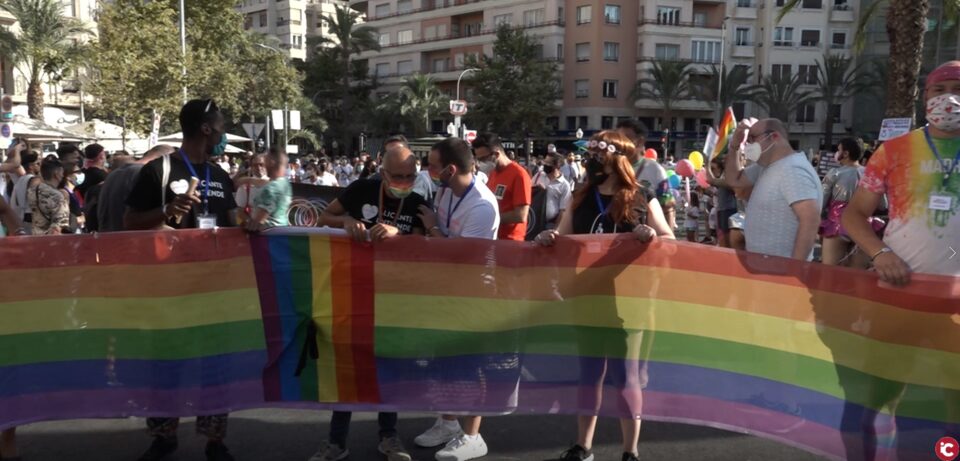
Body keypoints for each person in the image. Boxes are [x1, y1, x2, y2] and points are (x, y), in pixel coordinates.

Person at [534, 130, 673, 461]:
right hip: (588, 296)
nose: (593, 159)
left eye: (599, 153)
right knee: (589, 375)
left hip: (629, 300)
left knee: (625, 378)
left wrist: (651, 235)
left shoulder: (642, 195)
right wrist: (549, 237)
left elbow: (669, 239)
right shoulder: (581, 195)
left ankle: (630, 451)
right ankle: (583, 446)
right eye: (592, 154)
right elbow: (563, 234)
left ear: (617, 159)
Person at [124, 99, 237, 461]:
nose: (222, 133)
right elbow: (130, 223)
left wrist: (249, 225)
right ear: (206, 129)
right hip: (168, 288)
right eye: (220, 126)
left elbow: (232, 223)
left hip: (214, 289)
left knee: (215, 367)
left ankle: (215, 440)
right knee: (166, 363)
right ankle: (163, 435)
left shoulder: (219, 175)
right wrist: (166, 212)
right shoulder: (159, 170)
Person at [311, 148, 425, 461]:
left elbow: (421, 246)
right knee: (346, 366)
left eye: (409, 176)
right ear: (383, 173)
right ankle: (336, 442)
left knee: (389, 367)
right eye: (397, 176)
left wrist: (398, 232)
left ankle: (389, 438)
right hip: (350, 292)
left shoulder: (418, 202)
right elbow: (324, 218)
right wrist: (346, 221)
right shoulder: (360, 189)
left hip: (394, 298)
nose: (403, 182)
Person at [415, 138, 499, 461]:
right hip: (448, 291)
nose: (429, 171)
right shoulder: (446, 191)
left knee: (471, 364)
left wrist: (433, 230)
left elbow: (461, 257)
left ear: (450, 169)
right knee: (446, 361)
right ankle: (448, 421)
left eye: (433, 166)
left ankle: (473, 436)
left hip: (474, 293)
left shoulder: (482, 204)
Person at [843, 60, 960, 284]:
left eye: (958, 89)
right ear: (926, 97)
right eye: (939, 89)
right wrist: (879, 253)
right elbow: (854, 213)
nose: (949, 98)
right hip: (900, 284)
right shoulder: (893, 150)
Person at [722, 118, 823, 260]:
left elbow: (810, 219)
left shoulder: (793, 170)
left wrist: (795, 269)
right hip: (764, 267)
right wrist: (734, 145)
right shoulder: (766, 167)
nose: (749, 145)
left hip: (781, 271)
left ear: (774, 136)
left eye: (753, 138)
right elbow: (734, 179)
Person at [97, 144, 176, 233]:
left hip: (108, 237)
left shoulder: (114, 173)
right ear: (165, 160)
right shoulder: (145, 174)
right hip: (130, 239)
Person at [616, 120, 674, 232]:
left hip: (646, 239)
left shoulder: (655, 170)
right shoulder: (611, 168)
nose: (621, 143)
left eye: (626, 138)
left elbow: (668, 207)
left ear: (639, 141)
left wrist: (668, 243)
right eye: (618, 139)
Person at [472, 132, 531, 241]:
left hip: (511, 242)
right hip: (493, 237)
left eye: (483, 159)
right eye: (478, 159)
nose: (480, 163)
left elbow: (521, 215)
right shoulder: (493, 173)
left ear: (496, 154)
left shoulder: (519, 175)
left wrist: (488, 218)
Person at [820, 138, 868, 266]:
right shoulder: (870, 173)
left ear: (845, 154)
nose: (837, 153)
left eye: (838, 149)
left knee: (830, 272)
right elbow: (882, 205)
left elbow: (821, 200)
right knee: (858, 276)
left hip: (837, 224)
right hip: (865, 226)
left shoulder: (834, 173)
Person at [247, 149, 292, 231]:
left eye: (265, 161)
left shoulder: (271, 189)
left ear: (271, 162)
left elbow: (256, 222)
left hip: (268, 237)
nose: (264, 165)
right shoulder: (286, 184)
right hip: (283, 231)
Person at [28, 157, 70, 235]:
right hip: (51, 240)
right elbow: (60, 225)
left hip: (35, 236)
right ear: (56, 173)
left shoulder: (32, 191)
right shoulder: (57, 196)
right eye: (62, 172)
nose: (63, 175)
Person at [532, 152, 573, 230]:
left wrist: (555, 230)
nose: (545, 164)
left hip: (549, 225)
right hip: (534, 221)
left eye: (548, 163)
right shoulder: (538, 175)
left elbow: (563, 211)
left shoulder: (564, 185)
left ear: (557, 165)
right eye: (545, 161)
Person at [10, 149, 41, 234]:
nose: (39, 166)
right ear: (31, 166)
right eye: (37, 163)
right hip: (31, 222)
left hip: (21, 221)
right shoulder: (34, 180)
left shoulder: (19, 180)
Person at [236, 153, 268, 225]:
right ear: (251, 167)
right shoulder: (245, 186)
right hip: (256, 230)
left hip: (276, 228)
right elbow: (239, 210)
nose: (259, 168)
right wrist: (251, 223)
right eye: (255, 165)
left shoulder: (275, 183)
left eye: (261, 164)